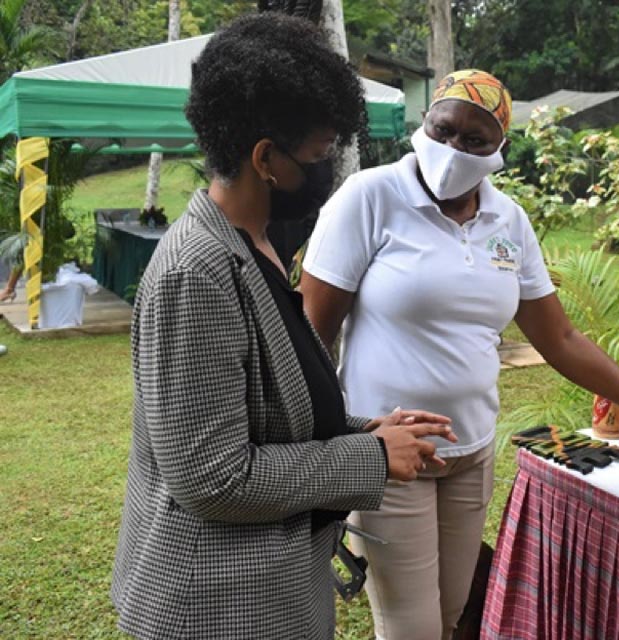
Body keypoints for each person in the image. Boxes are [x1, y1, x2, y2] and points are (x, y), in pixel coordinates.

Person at [300, 69, 619, 640]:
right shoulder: (370, 198)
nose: (453, 149)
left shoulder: (509, 221)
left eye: (475, 140)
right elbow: (308, 335)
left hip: (470, 453)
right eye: (443, 129)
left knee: (451, 614)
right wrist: (328, 447)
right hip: (390, 455)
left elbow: (560, 339)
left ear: (500, 147)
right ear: (423, 124)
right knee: (410, 629)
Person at [110, 14, 455, 640]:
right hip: (214, 606)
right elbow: (213, 477)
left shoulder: (254, 245)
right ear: (266, 158)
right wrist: (371, 455)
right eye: (320, 154)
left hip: (267, 586)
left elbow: (269, 418)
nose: (326, 172)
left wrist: (364, 429)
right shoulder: (198, 273)